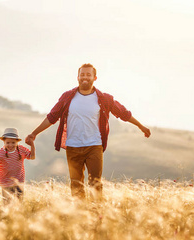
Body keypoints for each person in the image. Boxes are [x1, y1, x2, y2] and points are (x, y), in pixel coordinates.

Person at [25, 63, 151, 199]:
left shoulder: (104, 98)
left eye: (88, 75)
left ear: (95, 78)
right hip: (72, 147)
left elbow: (123, 113)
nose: (85, 77)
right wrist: (34, 133)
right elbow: (52, 117)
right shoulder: (67, 97)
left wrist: (140, 126)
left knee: (95, 183)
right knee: (76, 185)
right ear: (77, 77)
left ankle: (97, 215)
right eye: (82, 75)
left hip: (94, 146)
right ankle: (81, 215)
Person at [0, 128, 35, 203]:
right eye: (8, 142)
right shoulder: (0, 153)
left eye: (13, 142)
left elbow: (32, 157)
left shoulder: (21, 149)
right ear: (4, 142)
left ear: (17, 142)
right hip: (6, 184)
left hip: (19, 182)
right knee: (7, 204)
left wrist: (32, 145)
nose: (10, 145)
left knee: (19, 204)